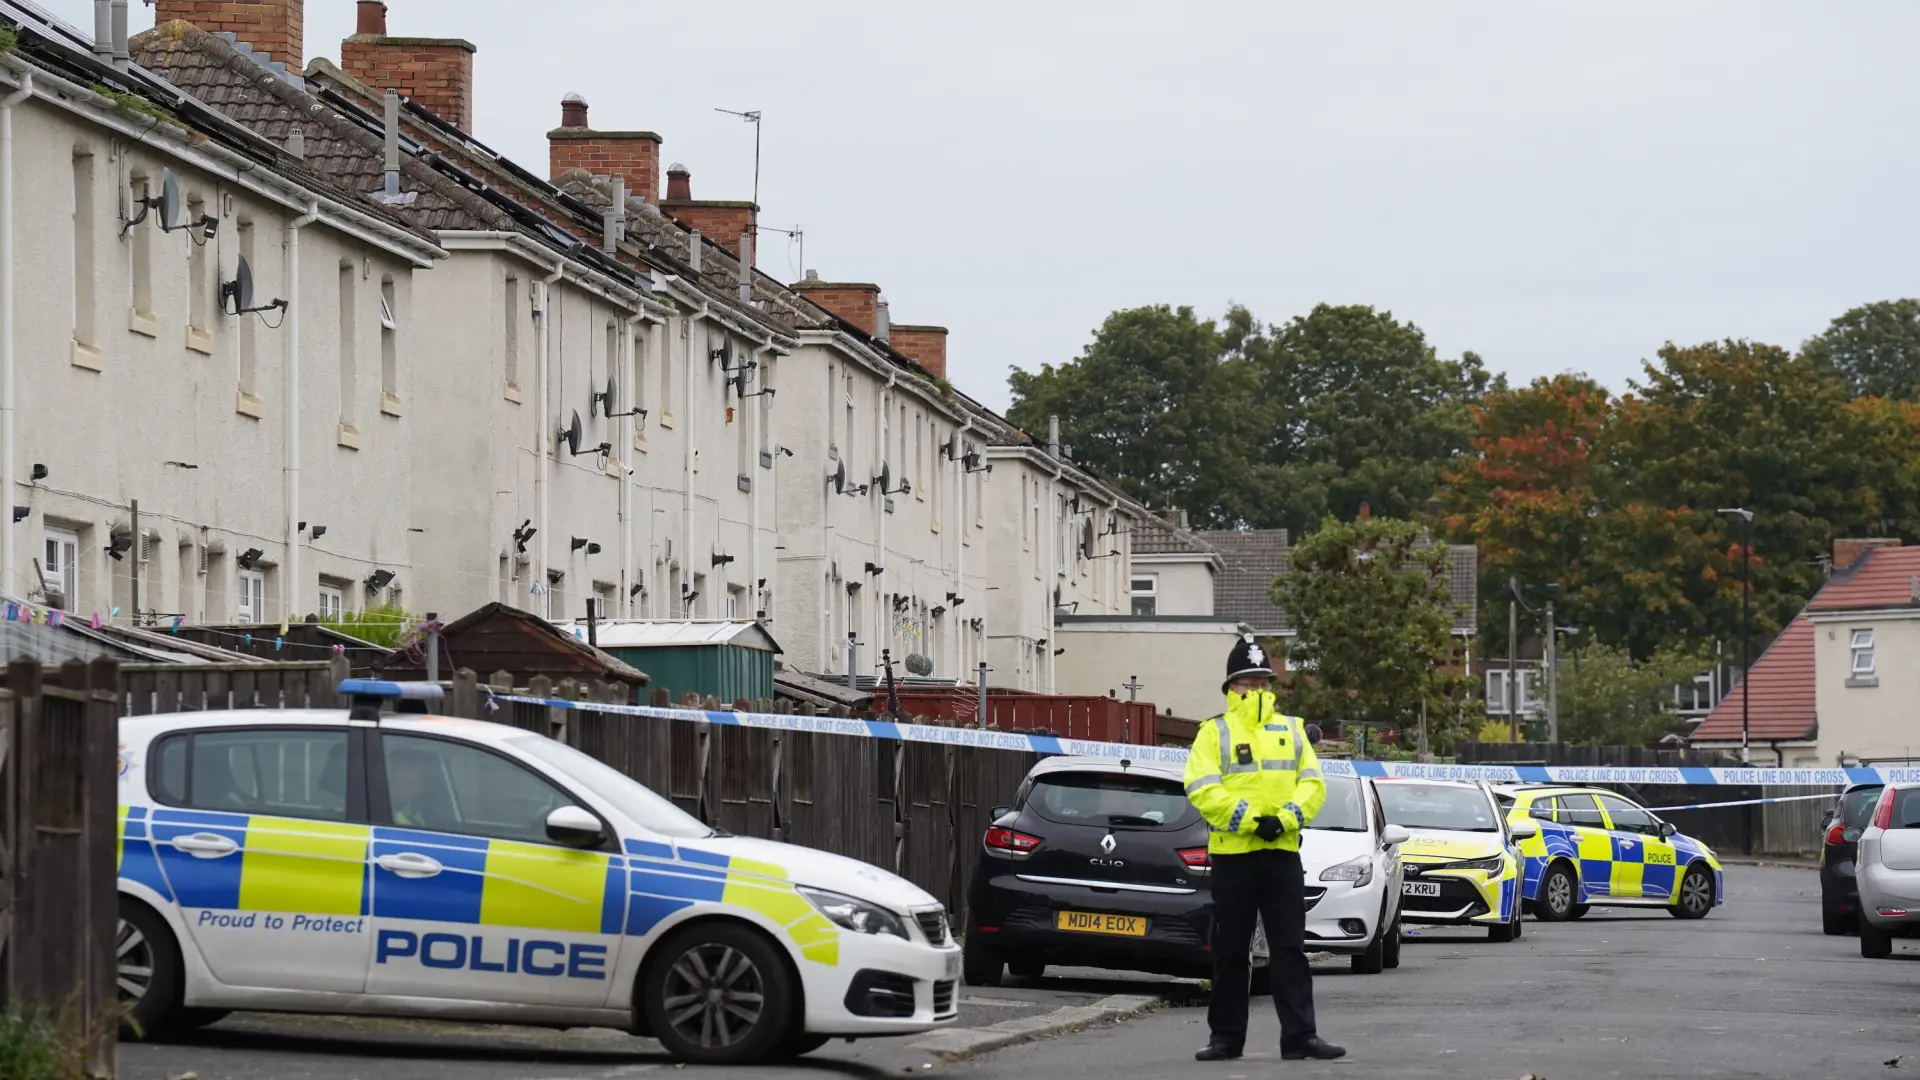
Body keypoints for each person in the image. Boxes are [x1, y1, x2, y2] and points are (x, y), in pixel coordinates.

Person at [1183, 635, 1344, 1062]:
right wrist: (1253, 822)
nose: (1255, 689)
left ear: (1270, 685)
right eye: (1246, 681)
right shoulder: (1212, 732)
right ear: (1231, 686)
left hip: (1282, 855)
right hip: (1234, 857)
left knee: (1289, 949)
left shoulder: (1292, 729)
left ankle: (1300, 1037)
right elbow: (1202, 788)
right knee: (1231, 950)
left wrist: (1285, 819)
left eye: (1261, 681)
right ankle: (1226, 1039)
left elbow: (1313, 784)